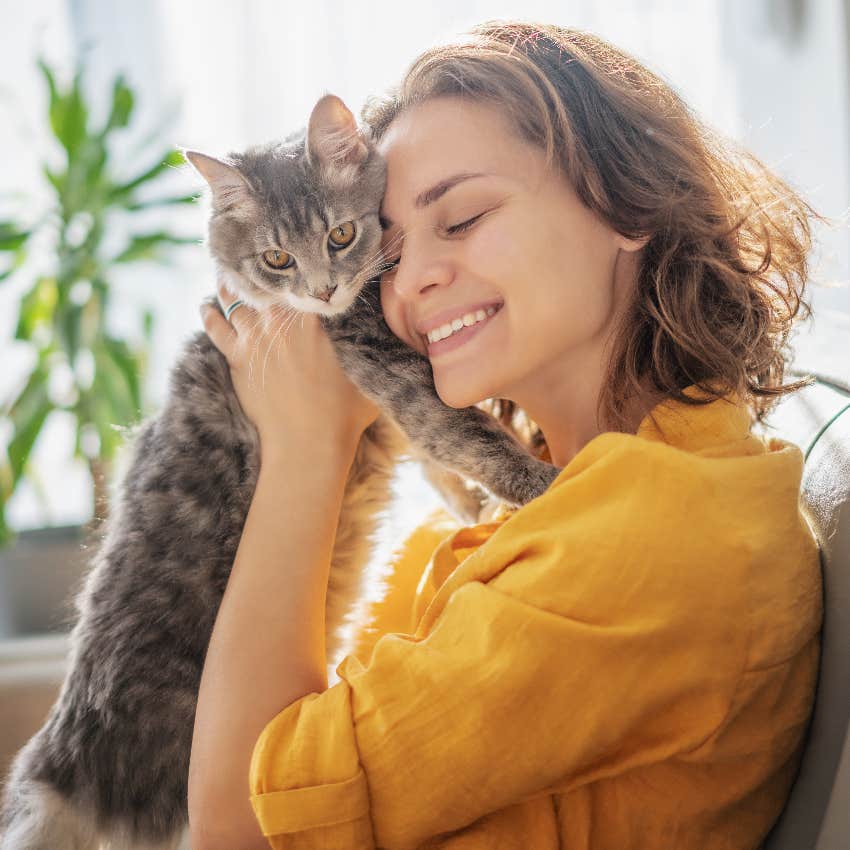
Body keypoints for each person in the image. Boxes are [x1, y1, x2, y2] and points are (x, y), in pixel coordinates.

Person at [187, 21, 823, 850]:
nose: (409, 278)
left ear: (625, 202)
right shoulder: (570, 498)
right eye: (392, 246)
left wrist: (306, 446)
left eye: (462, 218)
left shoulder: (650, 540)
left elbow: (235, 828)